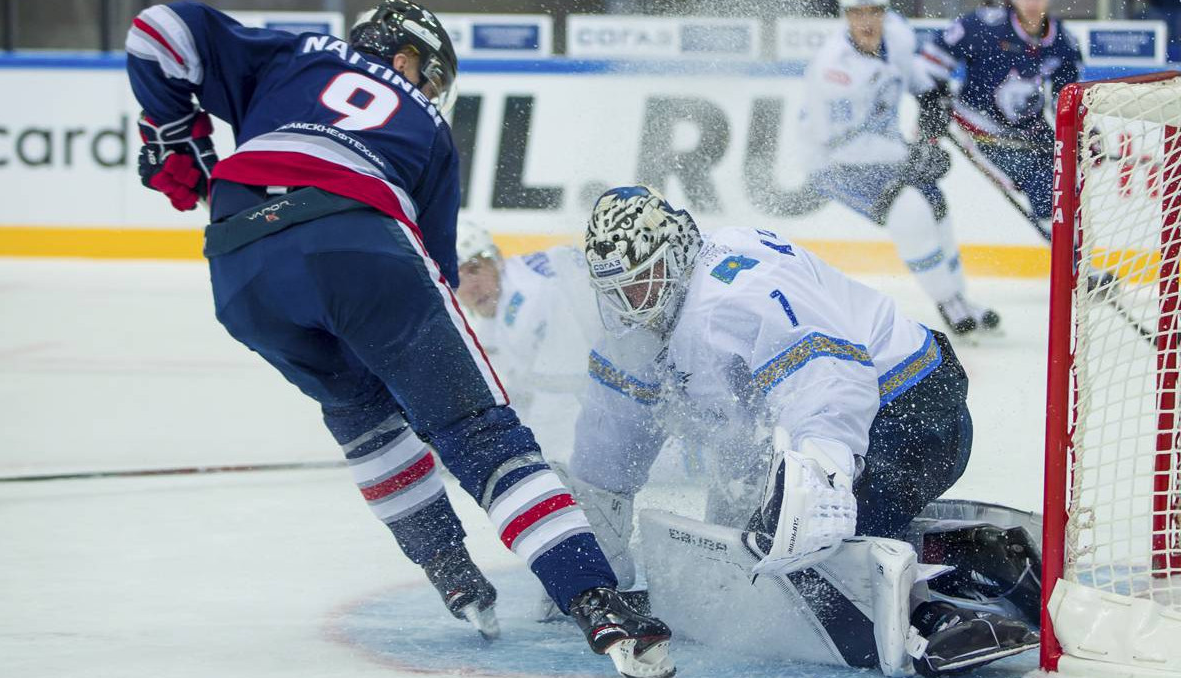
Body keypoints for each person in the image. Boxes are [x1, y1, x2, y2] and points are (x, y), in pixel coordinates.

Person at [124, 4, 674, 676]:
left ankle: (450, 570)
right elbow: (431, 273)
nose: (432, 91)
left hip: (240, 272)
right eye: (432, 76)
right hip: (358, 241)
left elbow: (158, 28)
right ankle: (598, 601)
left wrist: (176, 134)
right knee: (478, 432)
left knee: (362, 417)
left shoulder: (291, 55)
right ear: (408, 59)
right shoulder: (431, 129)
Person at [567, 185, 1039, 676]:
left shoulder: (731, 294)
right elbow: (608, 453)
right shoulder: (651, 313)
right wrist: (589, 576)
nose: (632, 303)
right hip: (881, 409)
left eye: (643, 282)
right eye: (617, 291)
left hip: (911, 411)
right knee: (758, 550)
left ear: (679, 252)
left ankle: (931, 619)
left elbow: (831, 373)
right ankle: (975, 553)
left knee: (800, 562)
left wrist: (823, 468)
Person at [800, 0, 999, 337]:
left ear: (885, 13)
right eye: (857, 13)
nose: (867, 21)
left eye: (874, 12)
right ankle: (946, 300)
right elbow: (839, 144)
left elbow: (910, 74)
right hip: (834, 163)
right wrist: (908, 155)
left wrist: (931, 97)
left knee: (935, 206)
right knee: (909, 211)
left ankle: (959, 296)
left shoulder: (897, 35)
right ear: (845, 17)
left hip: (888, 153)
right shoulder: (834, 69)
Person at [921, 0, 1083, 235]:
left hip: (1032, 130)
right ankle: (1072, 263)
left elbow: (1067, 98)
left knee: (1069, 184)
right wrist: (933, 102)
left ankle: (1077, 260)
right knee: (1046, 187)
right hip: (980, 129)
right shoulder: (984, 25)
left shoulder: (1063, 40)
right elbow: (931, 64)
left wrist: (1080, 131)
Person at [454, 220, 599, 419]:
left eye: (474, 269)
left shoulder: (534, 296)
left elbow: (562, 400)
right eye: (456, 278)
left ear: (496, 260)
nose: (471, 287)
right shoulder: (489, 318)